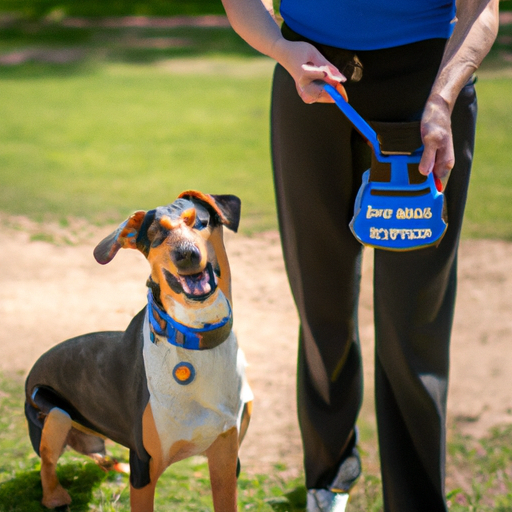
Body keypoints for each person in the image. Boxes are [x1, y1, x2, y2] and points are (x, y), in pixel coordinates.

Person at [219, 1, 500, 511]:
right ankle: (328, 478)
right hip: (310, 80)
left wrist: (442, 100)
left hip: (427, 90)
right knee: (320, 298)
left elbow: (481, 7)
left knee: (413, 318)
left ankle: (414, 501)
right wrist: (281, 49)